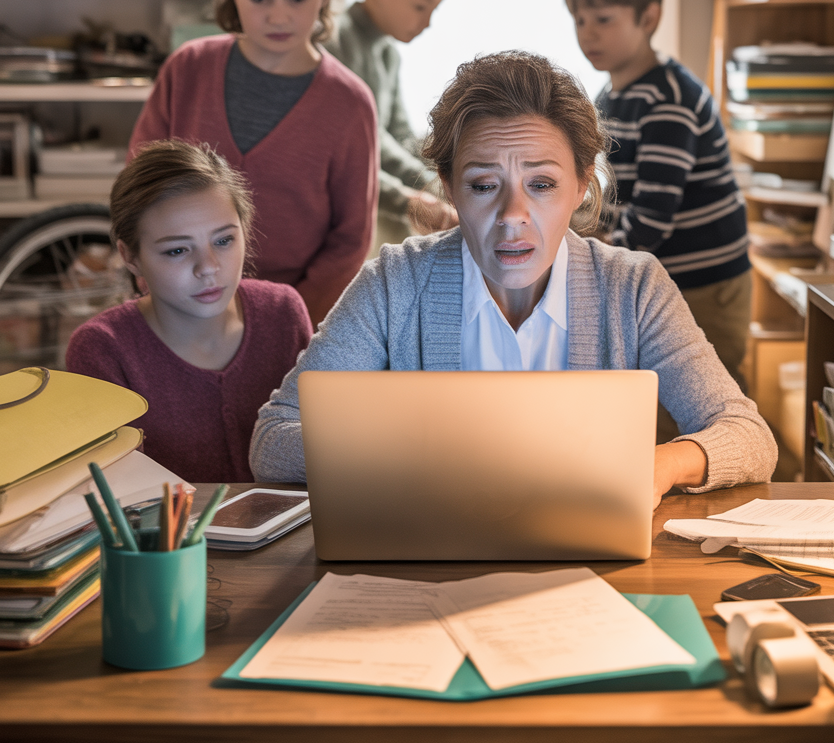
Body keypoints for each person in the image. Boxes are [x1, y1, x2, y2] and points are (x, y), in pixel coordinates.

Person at [250, 51, 776, 506]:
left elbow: (749, 436)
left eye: (541, 184)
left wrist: (662, 466)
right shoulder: (393, 283)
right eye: (484, 186)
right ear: (451, 190)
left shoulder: (634, 288)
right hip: (428, 574)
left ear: (581, 187)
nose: (512, 215)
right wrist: (407, 447)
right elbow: (272, 440)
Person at [130, 0, 379, 326]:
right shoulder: (187, 69)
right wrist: (165, 291)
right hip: (175, 308)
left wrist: (286, 321)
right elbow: (139, 193)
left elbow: (349, 240)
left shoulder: (349, 103)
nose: (279, 15)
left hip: (291, 321)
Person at [65, 140, 313, 483]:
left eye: (224, 240)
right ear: (130, 256)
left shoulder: (283, 311)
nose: (208, 267)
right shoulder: (102, 349)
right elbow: (118, 494)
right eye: (178, 250)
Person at [565, 0, 752, 392]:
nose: (588, 35)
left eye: (603, 19)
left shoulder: (668, 99)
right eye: (579, 21)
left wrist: (596, 262)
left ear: (648, 18)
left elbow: (652, 218)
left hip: (704, 284)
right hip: (661, 276)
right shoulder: (609, 97)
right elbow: (610, 195)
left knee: (702, 398)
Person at [328, 0, 459, 244]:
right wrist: (425, 189)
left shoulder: (388, 53)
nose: (426, 22)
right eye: (420, 6)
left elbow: (399, 135)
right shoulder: (334, 41)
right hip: (346, 205)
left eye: (433, 10)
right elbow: (367, 141)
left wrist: (446, 175)